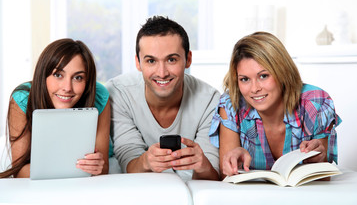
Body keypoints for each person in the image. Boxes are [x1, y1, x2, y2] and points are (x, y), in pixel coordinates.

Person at [209, 31, 341, 178]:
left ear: (282, 72)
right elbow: (226, 178)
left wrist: (319, 158)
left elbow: (323, 178)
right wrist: (234, 161)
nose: (254, 89)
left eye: (263, 76)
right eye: (245, 79)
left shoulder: (316, 103)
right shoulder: (231, 105)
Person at [106, 16, 220, 181]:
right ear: (138, 62)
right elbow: (128, 162)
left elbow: (211, 177)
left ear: (188, 59)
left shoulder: (210, 100)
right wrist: (146, 161)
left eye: (171, 59)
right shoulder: (119, 93)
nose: (162, 72)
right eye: (151, 61)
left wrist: (203, 165)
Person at [0, 38, 110, 178]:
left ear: (87, 81)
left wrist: (97, 166)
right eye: (58, 75)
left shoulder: (98, 95)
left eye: (78, 78)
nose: (67, 88)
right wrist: (72, 169)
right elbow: (19, 171)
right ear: (43, 75)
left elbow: (104, 167)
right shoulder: (22, 98)